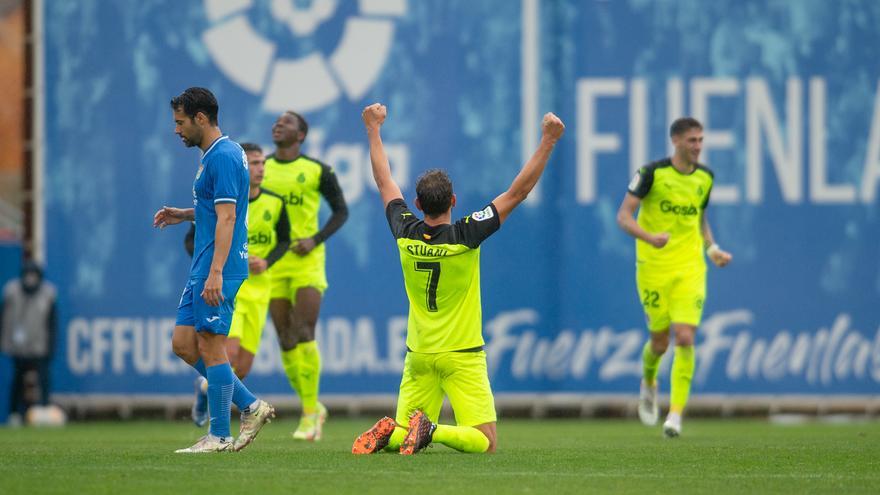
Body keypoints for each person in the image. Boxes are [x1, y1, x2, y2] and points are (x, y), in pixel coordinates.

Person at [352, 103, 564, 455]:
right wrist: (548, 141)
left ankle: (390, 434)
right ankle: (433, 431)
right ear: (453, 200)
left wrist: (373, 130)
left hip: (419, 352)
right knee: (485, 442)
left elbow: (384, 180)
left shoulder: (404, 230)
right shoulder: (467, 235)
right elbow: (517, 193)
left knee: (406, 435)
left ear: (418, 203)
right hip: (462, 354)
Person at [153, 87, 274, 453]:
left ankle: (219, 434)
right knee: (184, 345)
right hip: (204, 264)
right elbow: (217, 208)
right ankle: (251, 405)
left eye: (180, 122)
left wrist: (216, 272)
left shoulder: (221, 157)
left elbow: (229, 216)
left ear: (200, 118)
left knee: (211, 345)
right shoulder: (220, 154)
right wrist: (185, 214)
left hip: (216, 266)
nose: (177, 130)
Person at [615, 117, 732, 438]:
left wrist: (713, 249)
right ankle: (649, 382)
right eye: (692, 140)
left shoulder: (706, 178)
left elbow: (700, 219)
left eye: (701, 140)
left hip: (690, 268)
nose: (698, 146)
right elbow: (623, 216)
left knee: (685, 337)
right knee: (659, 342)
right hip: (653, 267)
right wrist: (649, 237)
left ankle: (676, 415)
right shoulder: (651, 174)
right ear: (676, 141)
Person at [261, 111, 348, 441]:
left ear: (301, 135)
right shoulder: (261, 169)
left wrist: (315, 239)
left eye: (286, 122)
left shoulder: (317, 171)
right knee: (285, 338)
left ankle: (310, 414)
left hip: (307, 260)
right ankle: (312, 406)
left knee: (304, 329)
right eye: (276, 122)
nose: (278, 125)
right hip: (274, 261)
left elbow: (341, 211)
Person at [1, 260, 57, 425]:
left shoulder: (48, 294)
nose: (30, 280)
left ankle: (44, 412)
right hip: (18, 347)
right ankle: (14, 414)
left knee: (43, 380)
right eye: (28, 275)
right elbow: (2, 318)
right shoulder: (11, 291)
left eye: (34, 276)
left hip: (39, 347)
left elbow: (52, 324)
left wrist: (51, 347)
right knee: (17, 381)